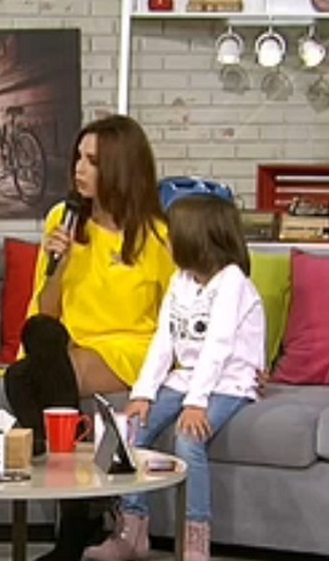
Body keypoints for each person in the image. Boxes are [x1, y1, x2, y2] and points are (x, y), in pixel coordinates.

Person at [2, 115, 176, 561]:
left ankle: (73, 522)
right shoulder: (62, 220)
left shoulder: (157, 235)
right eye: (78, 157)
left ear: (120, 168)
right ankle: (81, 516)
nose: (79, 168)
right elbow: (45, 312)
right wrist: (58, 265)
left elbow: (177, 315)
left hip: (129, 345)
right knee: (36, 345)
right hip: (66, 344)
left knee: (25, 378)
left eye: (93, 161)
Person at [85, 195, 263, 561]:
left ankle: (194, 542)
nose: (165, 241)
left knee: (188, 438)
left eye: (171, 235)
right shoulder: (180, 280)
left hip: (230, 380)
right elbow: (163, 342)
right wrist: (142, 393)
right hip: (187, 377)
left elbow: (217, 346)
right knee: (132, 431)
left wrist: (196, 404)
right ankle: (131, 532)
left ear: (195, 239)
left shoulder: (232, 282)